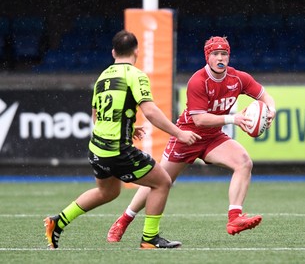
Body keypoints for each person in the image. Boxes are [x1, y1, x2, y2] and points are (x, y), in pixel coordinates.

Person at [107, 36, 276, 242]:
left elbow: (264, 95)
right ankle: (123, 220)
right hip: (187, 136)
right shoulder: (198, 80)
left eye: (224, 54)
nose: (220, 58)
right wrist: (234, 119)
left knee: (244, 162)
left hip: (213, 138)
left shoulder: (238, 78)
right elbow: (200, 119)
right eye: (215, 54)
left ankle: (234, 217)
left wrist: (271, 109)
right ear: (208, 57)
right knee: (159, 181)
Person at [43, 30, 201, 249]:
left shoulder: (103, 76)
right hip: (117, 150)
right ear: (137, 50)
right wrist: (179, 133)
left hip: (97, 147)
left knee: (108, 192)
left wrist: (127, 126)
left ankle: (57, 221)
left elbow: (96, 115)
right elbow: (151, 112)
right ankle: (150, 239)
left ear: (113, 52)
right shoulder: (135, 75)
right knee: (162, 182)